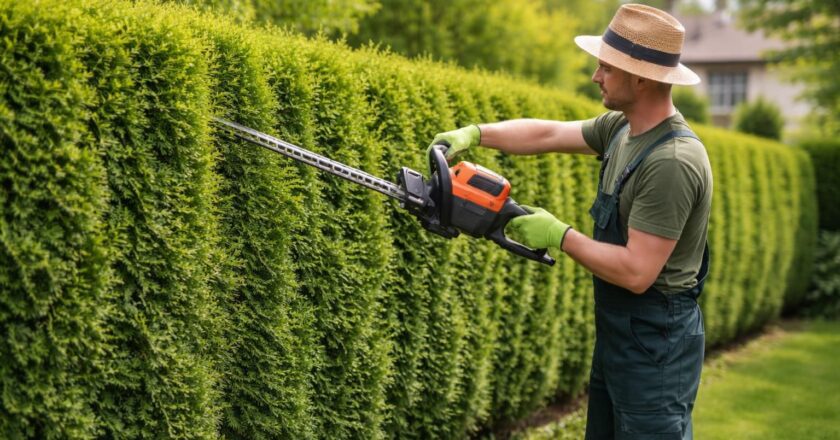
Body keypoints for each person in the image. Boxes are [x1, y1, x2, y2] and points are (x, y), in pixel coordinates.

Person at [428, 4, 712, 439]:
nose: (596, 76)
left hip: (657, 343)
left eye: (606, 68)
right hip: (621, 334)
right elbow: (547, 134)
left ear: (640, 78)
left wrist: (560, 235)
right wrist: (475, 134)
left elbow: (638, 272)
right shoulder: (623, 128)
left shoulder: (671, 161)